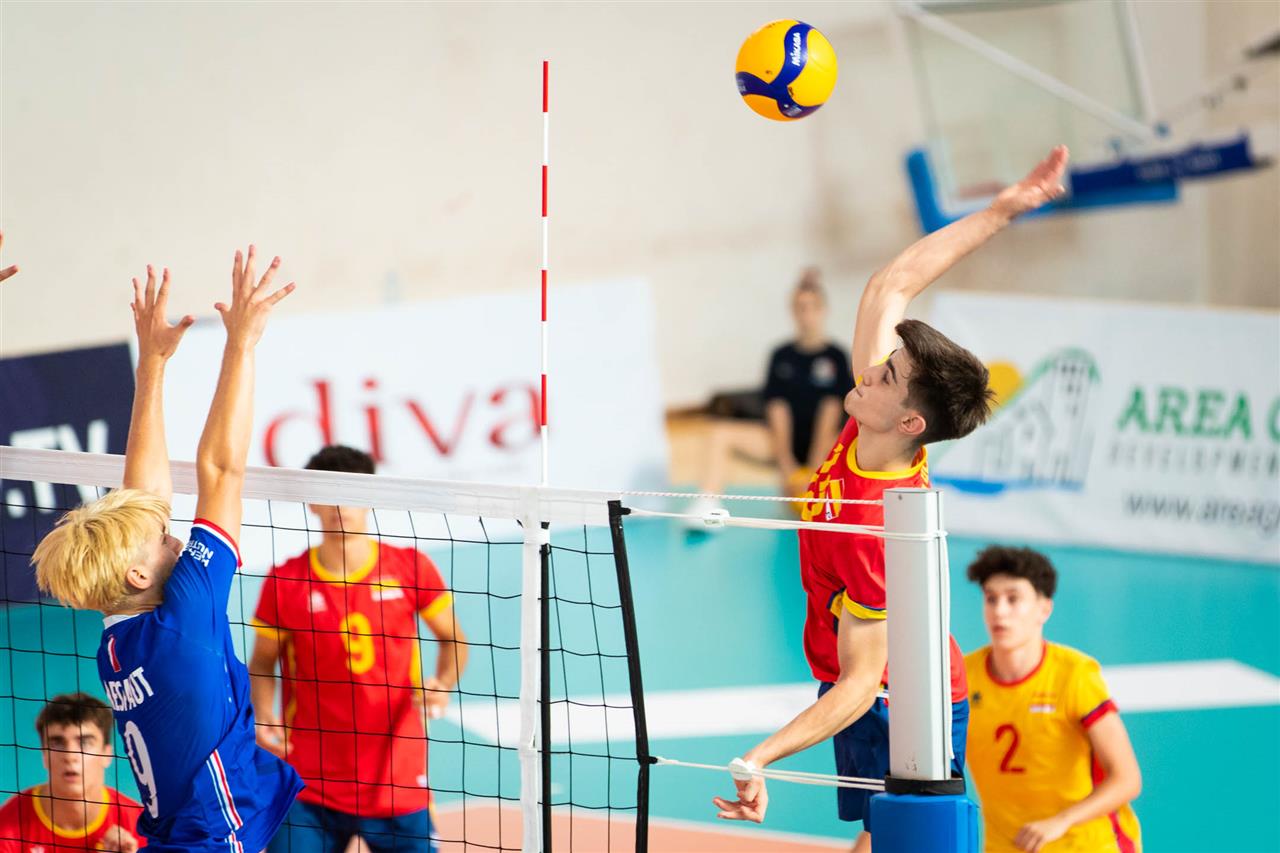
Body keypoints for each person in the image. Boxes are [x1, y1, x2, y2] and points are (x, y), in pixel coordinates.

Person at [712, 146, 1071, 852]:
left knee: (901, 843)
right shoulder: (869, 424)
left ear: (910, 422)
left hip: (904, 706)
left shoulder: (881, 532)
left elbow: (860, 682)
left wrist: (759, 757)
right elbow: (893, 283)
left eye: (888, 375)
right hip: (864, 686)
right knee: (878, 841)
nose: (870, 371)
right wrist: (1002, 211)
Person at [32, 250, 302, 852]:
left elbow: (142, 498)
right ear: (136, 573)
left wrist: (151, 363)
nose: (170, 532)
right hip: (222, 838)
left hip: (184, 833)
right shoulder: (184, 621)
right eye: (158, 536)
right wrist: (242, 343)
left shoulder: (119, 640)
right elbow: (223, 471)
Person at [249, 445, 469, 853]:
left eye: (349, 493)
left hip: (396, 775)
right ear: (312, 503)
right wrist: (263, 714)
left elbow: (453, 639)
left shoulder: (410, 567)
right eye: (327, 494)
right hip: (310, 779)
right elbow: (262, 663)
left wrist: (443, 682)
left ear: (370, 496)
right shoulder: (286, 580)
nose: (339, 507)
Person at [964, 546, 1142, 853]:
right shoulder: (963, 676)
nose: (999, 611)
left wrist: (1061, 821)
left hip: (1089, 845)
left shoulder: (1074, 675)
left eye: (1013, 599)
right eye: (991, 598)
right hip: (1006, 846)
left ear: (1044, 609)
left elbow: (1126, 779)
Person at [696, 270, 852, 502]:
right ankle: (706, 503)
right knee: (720, 433)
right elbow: (777, 408)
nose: (806, 314)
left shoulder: (835, 356)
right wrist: (786, 464)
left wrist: (815, 467)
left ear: (824, 310)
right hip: (781, 443)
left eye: (812, 307)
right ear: (793, 311)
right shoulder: (781, 355)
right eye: (800, 308)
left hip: (824, 445)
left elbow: (831, 409)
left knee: (858, 440)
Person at [0, 693, 144, 852]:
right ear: (44, 755)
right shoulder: (7, 824)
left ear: (107, 754)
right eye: (57, 743)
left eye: (85, 743)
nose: (70, 756)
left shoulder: (140, 827)